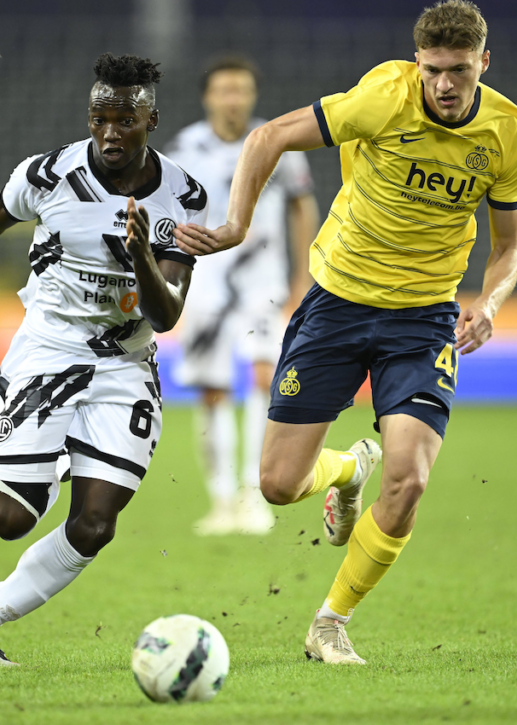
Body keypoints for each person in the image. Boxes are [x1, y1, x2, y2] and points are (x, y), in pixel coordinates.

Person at [175, 0, 517, 664]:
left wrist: (490, 302)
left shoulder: (508, 133)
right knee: (278, 485)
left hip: (423, 320)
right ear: (417, 62)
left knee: (410, 479)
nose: (444, 85)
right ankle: (346, 468)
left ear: (484, 62)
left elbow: (508, 246)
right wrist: (235, 226)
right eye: (433, 70)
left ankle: (330, 621)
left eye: (459, 70)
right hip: (337, 304)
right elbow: (268, 136)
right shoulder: (382, 98)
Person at [0, 53, 207, 665]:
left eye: (125, 120)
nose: (109, 133)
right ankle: (57, 455)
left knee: (96, 524)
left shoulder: (184, 195)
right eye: (99, 119)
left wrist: (142, 258)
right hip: (49, 350)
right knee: (10, 520)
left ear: (151, 120)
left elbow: (167, 314)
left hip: (125, 363)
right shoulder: (49, 174)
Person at [165, 57, 319, 536]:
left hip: (263, 282)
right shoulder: (183, 149)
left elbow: (302, 207)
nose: (233, 99)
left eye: (241, 90)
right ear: (207, 97)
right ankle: (220, 500)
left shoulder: (277, 141)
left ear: (252, 95)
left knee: (263, 378)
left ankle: (253, 495)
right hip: (204, 282)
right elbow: (163, 213)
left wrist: (305, 275)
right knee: (212, 389)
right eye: (224, 90)